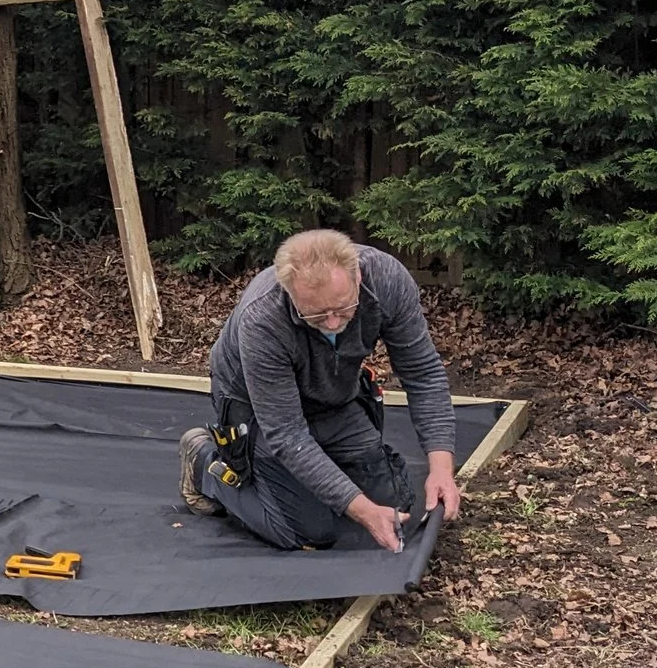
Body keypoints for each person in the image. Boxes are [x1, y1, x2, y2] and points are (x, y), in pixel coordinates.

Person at [179, 229, 463, 553]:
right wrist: (361, 510)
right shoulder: (262, 318)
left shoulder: (386, 280)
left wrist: (441, 469)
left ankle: (317, 479)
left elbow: (423, 374)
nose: (331, 323)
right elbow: (288, 435)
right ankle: (205, 463)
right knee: (308, 530)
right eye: (315, 314)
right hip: (254, 404)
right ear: (290, 293)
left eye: (342, 309)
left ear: (358, 277)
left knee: (393, 504)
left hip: (331, 394)